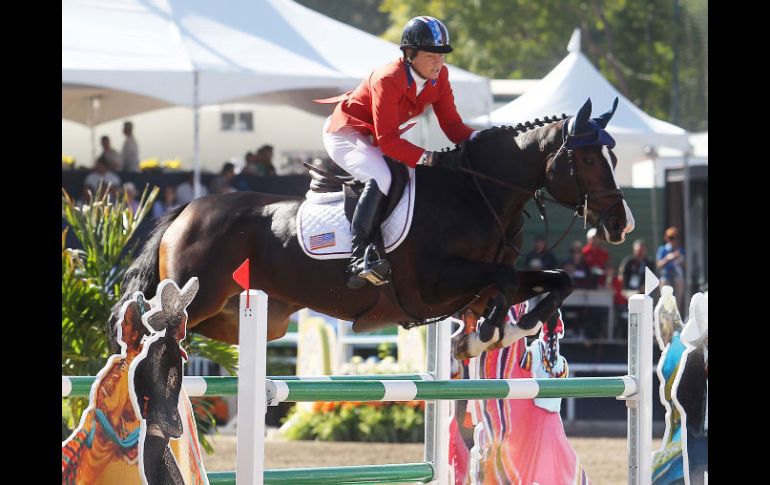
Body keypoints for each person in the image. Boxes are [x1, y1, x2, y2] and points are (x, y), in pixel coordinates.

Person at [317, 16, 478, 289]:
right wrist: (433, 158)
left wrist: (484, 140)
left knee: (416, 182)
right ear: (410, 54)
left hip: (376, 138)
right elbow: (390, 142)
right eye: (431, 55)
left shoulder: (440, 77)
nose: (438, 62)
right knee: (381, 178)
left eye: (441, 56)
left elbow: (452, 125)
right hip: (345, 133)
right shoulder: (388, 78)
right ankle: (359, 259)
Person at [657, 227, 686, 312]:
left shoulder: (681, 250)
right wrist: (668, 258)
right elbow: (659, 264)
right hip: (666, 277)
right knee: (665, 300)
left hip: (678, 277)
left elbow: (686, 265)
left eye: (675, 237)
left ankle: (676, 321)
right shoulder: (663, 249)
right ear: (666, 238)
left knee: (677, 301)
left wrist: (680, 258)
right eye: (671, 238)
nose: (673, 240)